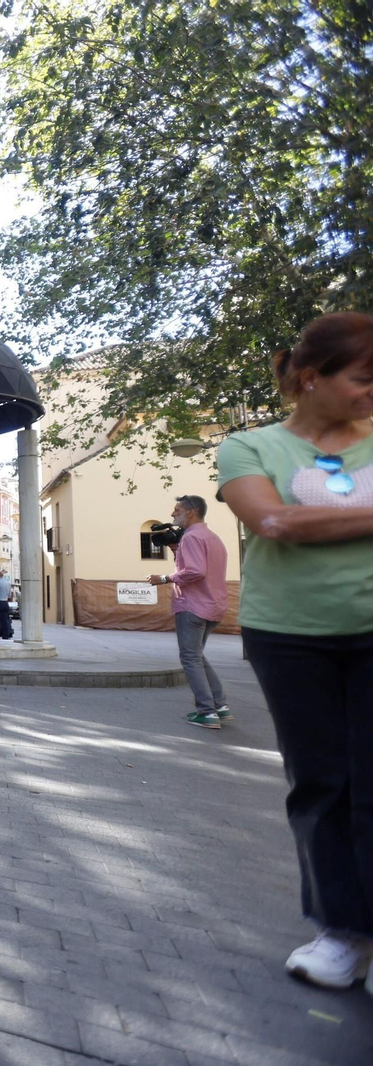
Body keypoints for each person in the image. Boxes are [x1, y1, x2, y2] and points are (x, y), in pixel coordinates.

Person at [215, 311, 373, 991]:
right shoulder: (248, 447)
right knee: (321, 786)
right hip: (289, 638)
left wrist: (320, 521)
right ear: (313, 378)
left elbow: (298, 520)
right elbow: (273, 521)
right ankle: (342, 933)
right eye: (363, 379)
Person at [146, 495, 231, 728]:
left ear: (191, 511)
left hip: (193, 606)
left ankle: (207, 712)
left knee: (190, 658)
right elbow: (196, 567)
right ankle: (220, 707)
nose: (173, 514)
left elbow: (194, 571)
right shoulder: (212, 537)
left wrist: (163, 578)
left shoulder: (192, 537)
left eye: (177, 510)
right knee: (197, 656)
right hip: (214, 604)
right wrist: (176, 549)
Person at [0, 569, 15, 639]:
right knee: (5, 620)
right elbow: (9, 595)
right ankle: (5, 635)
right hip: (5, 602)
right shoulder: (7, 583)